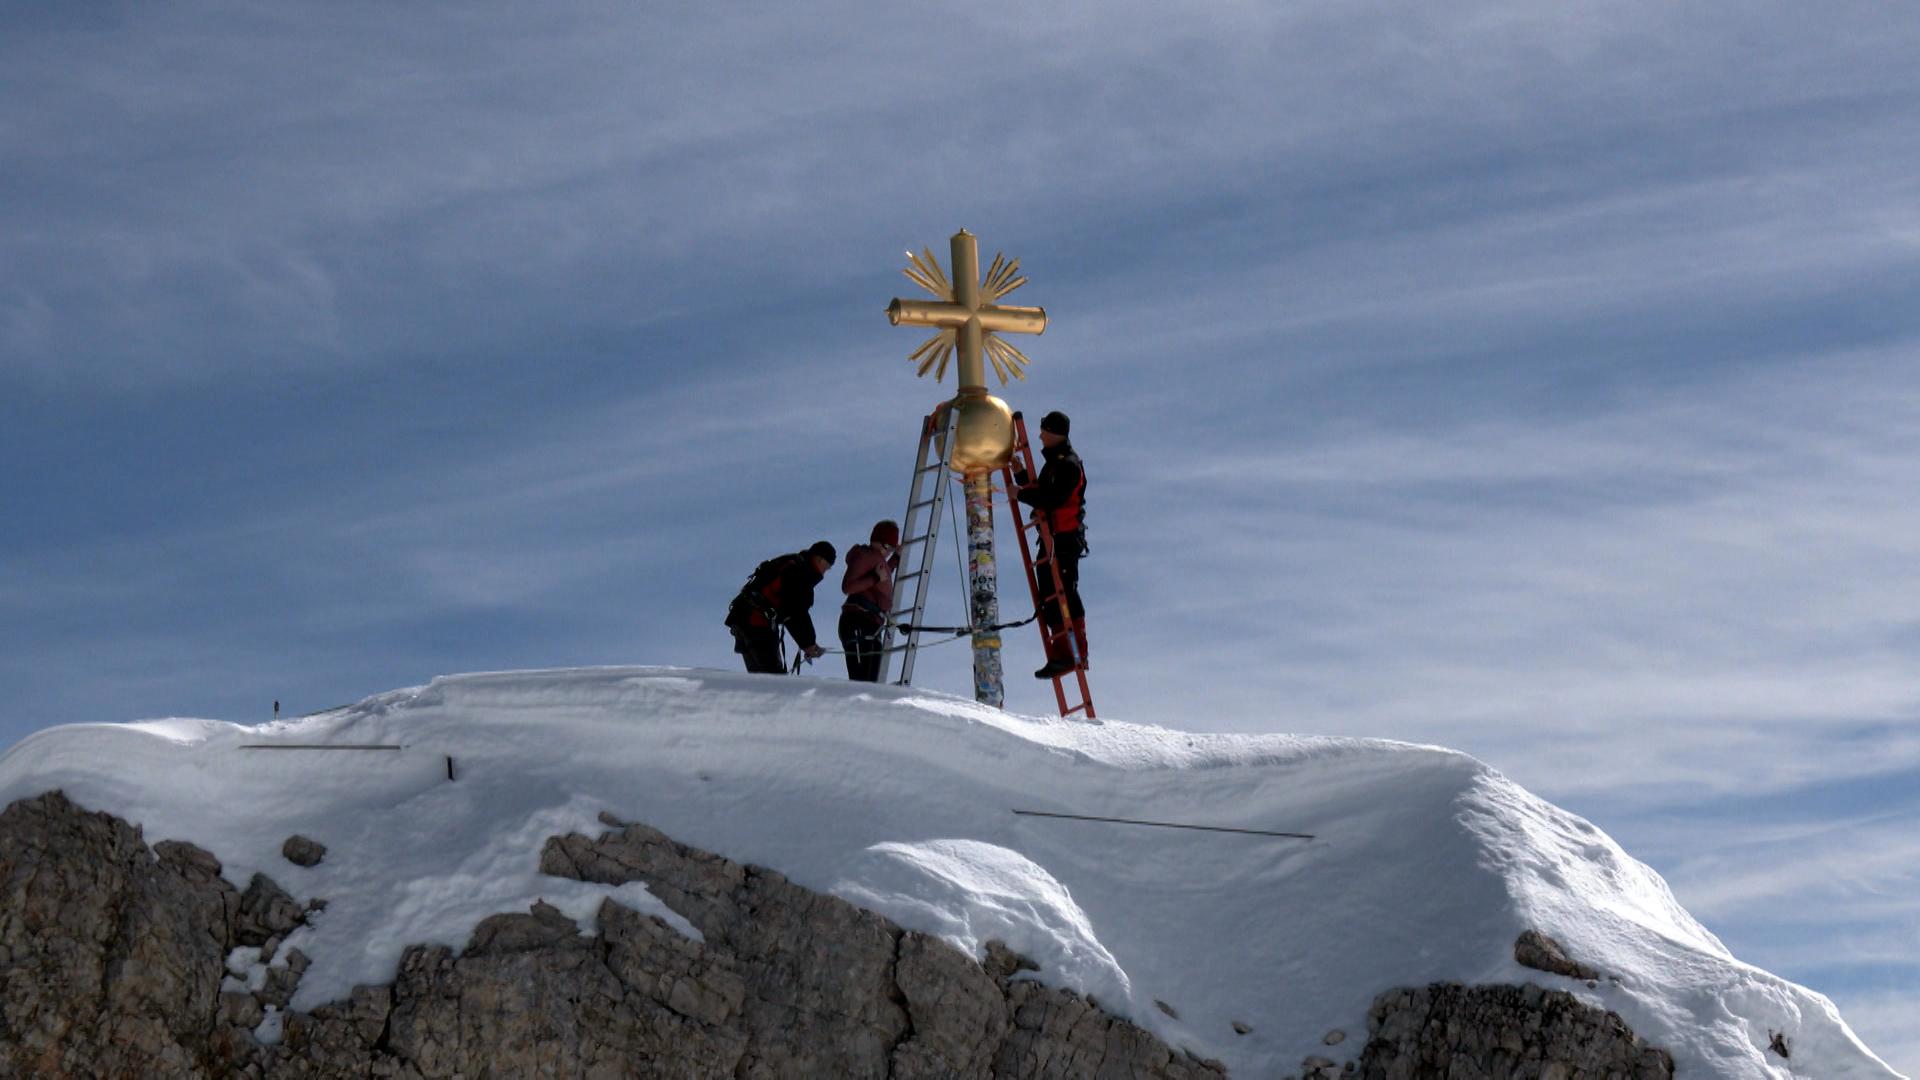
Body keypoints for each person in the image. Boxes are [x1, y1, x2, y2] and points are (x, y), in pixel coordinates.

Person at [1013, 410, 1087, 679]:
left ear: (1055, 433)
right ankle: (1059, 653)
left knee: (1065, 592)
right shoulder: (1055, 463)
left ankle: (1075, 652)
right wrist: (1021, 477)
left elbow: (1052, 498)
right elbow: (1040, 489)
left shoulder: (1068, 464)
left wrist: (1020, 494)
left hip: (1064, 539)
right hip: (1052, 537)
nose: (1040, 435)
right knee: (1048, 592)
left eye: (1044, 430)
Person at [726, 541, 836, 674]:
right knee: (772, 680)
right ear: (819, 559)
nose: (827, 570)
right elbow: (796, 612)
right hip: (756, 622)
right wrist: (808, 644)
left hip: (743, 617)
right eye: (827, 565)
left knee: (759, 679)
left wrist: (808, 644)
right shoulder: (800, 572)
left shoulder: (792, 563)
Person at [839, 520, 901, 682]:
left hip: (869, 622)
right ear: (881, 543)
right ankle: (859, 706)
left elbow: (883, 575)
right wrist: (875, 577)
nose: (888, 552)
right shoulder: (865, 555)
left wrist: (895, 559)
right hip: (859, 620)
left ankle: (864, 705)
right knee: (864, 680)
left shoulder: (874, 558)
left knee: (871, 678)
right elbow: (848, 586)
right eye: (889, 548)